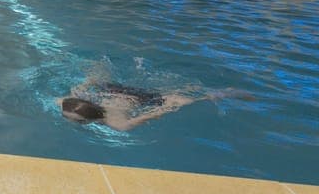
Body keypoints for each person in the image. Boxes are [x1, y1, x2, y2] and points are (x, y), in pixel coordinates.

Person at [58, 80, 250, 131]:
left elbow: (151, 115)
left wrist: (170, 106)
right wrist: (89, 82)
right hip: (115, 92)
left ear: (87, 122)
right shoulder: (67, 102)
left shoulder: (117, 123)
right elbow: (71, 96)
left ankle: (216, 95)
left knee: (180, 100)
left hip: (139, 100)